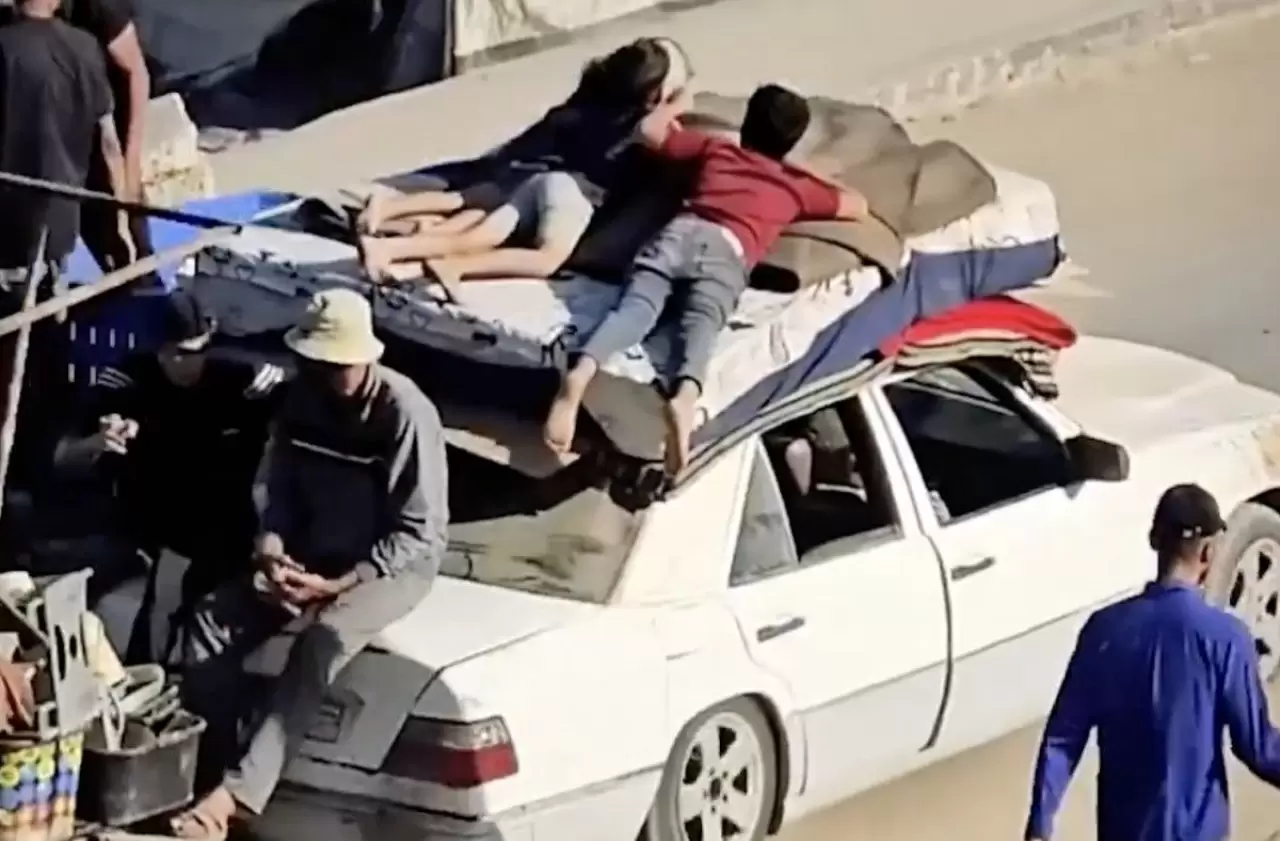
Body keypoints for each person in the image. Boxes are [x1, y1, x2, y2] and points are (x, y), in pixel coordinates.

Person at [171, 287, 448, 840]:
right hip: (310, 551)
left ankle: (236, 796)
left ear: (363, 360)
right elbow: (275, 487)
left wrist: (338, 585)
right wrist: (272, 549)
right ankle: (210, 775)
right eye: (314, 363)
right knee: (209, 623)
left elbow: (419, 529)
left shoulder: (405, 412)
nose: (323, 375)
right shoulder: (300, 398)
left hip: (386, 565)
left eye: (335, 366)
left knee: (321, 642)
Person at [542, 83, 869, 473]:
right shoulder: (794, 188)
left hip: (681, 231)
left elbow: (648, 131)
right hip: (727, 251)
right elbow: (858, 206)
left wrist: (677, 102)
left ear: (747, 125)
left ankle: (581, 372)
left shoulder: (718, 149)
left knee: (635, 308)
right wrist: (803, 168)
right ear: (792, 143)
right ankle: (684, 396)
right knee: (703, 323)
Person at [1025, 483, 1280, 841]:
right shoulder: (1226, 638)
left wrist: (1040, 824)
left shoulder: (1103, 631)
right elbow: (1258, 748)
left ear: (1155, 541)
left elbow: (1063, 737)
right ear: (1208, 552)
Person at [357, 36, 692, 286]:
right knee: (537, 254)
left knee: (473, 221)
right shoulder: (633, 122)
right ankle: (438, 259)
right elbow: (655, 131)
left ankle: (396, 245)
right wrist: (679, 102)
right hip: (560, 186)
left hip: (533, 175)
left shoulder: (591, 99)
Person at [53, 290, 285, 646]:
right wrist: (98, 443)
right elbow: (63, 456)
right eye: (179, 353)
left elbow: (296, 424)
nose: (191, 363)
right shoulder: (128, 382)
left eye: (200, 350)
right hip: (149, 522)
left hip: (225, 526)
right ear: (157, 349)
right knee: (133, 617)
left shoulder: (242, 381)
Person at [0, 0, 133, 491]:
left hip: (7, 233)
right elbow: (109, 146)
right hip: (56, 235)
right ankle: (33, 470)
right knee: (40, 357)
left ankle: (24, 475)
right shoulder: (84, 49)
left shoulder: (3, 48)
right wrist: (120, 224)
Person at [58, 0, 154, 276]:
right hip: (67, 105)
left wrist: (131, 160)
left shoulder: (100, 6)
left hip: (111, 106)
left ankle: (143, 269)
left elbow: (137, 73)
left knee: (118, 196)